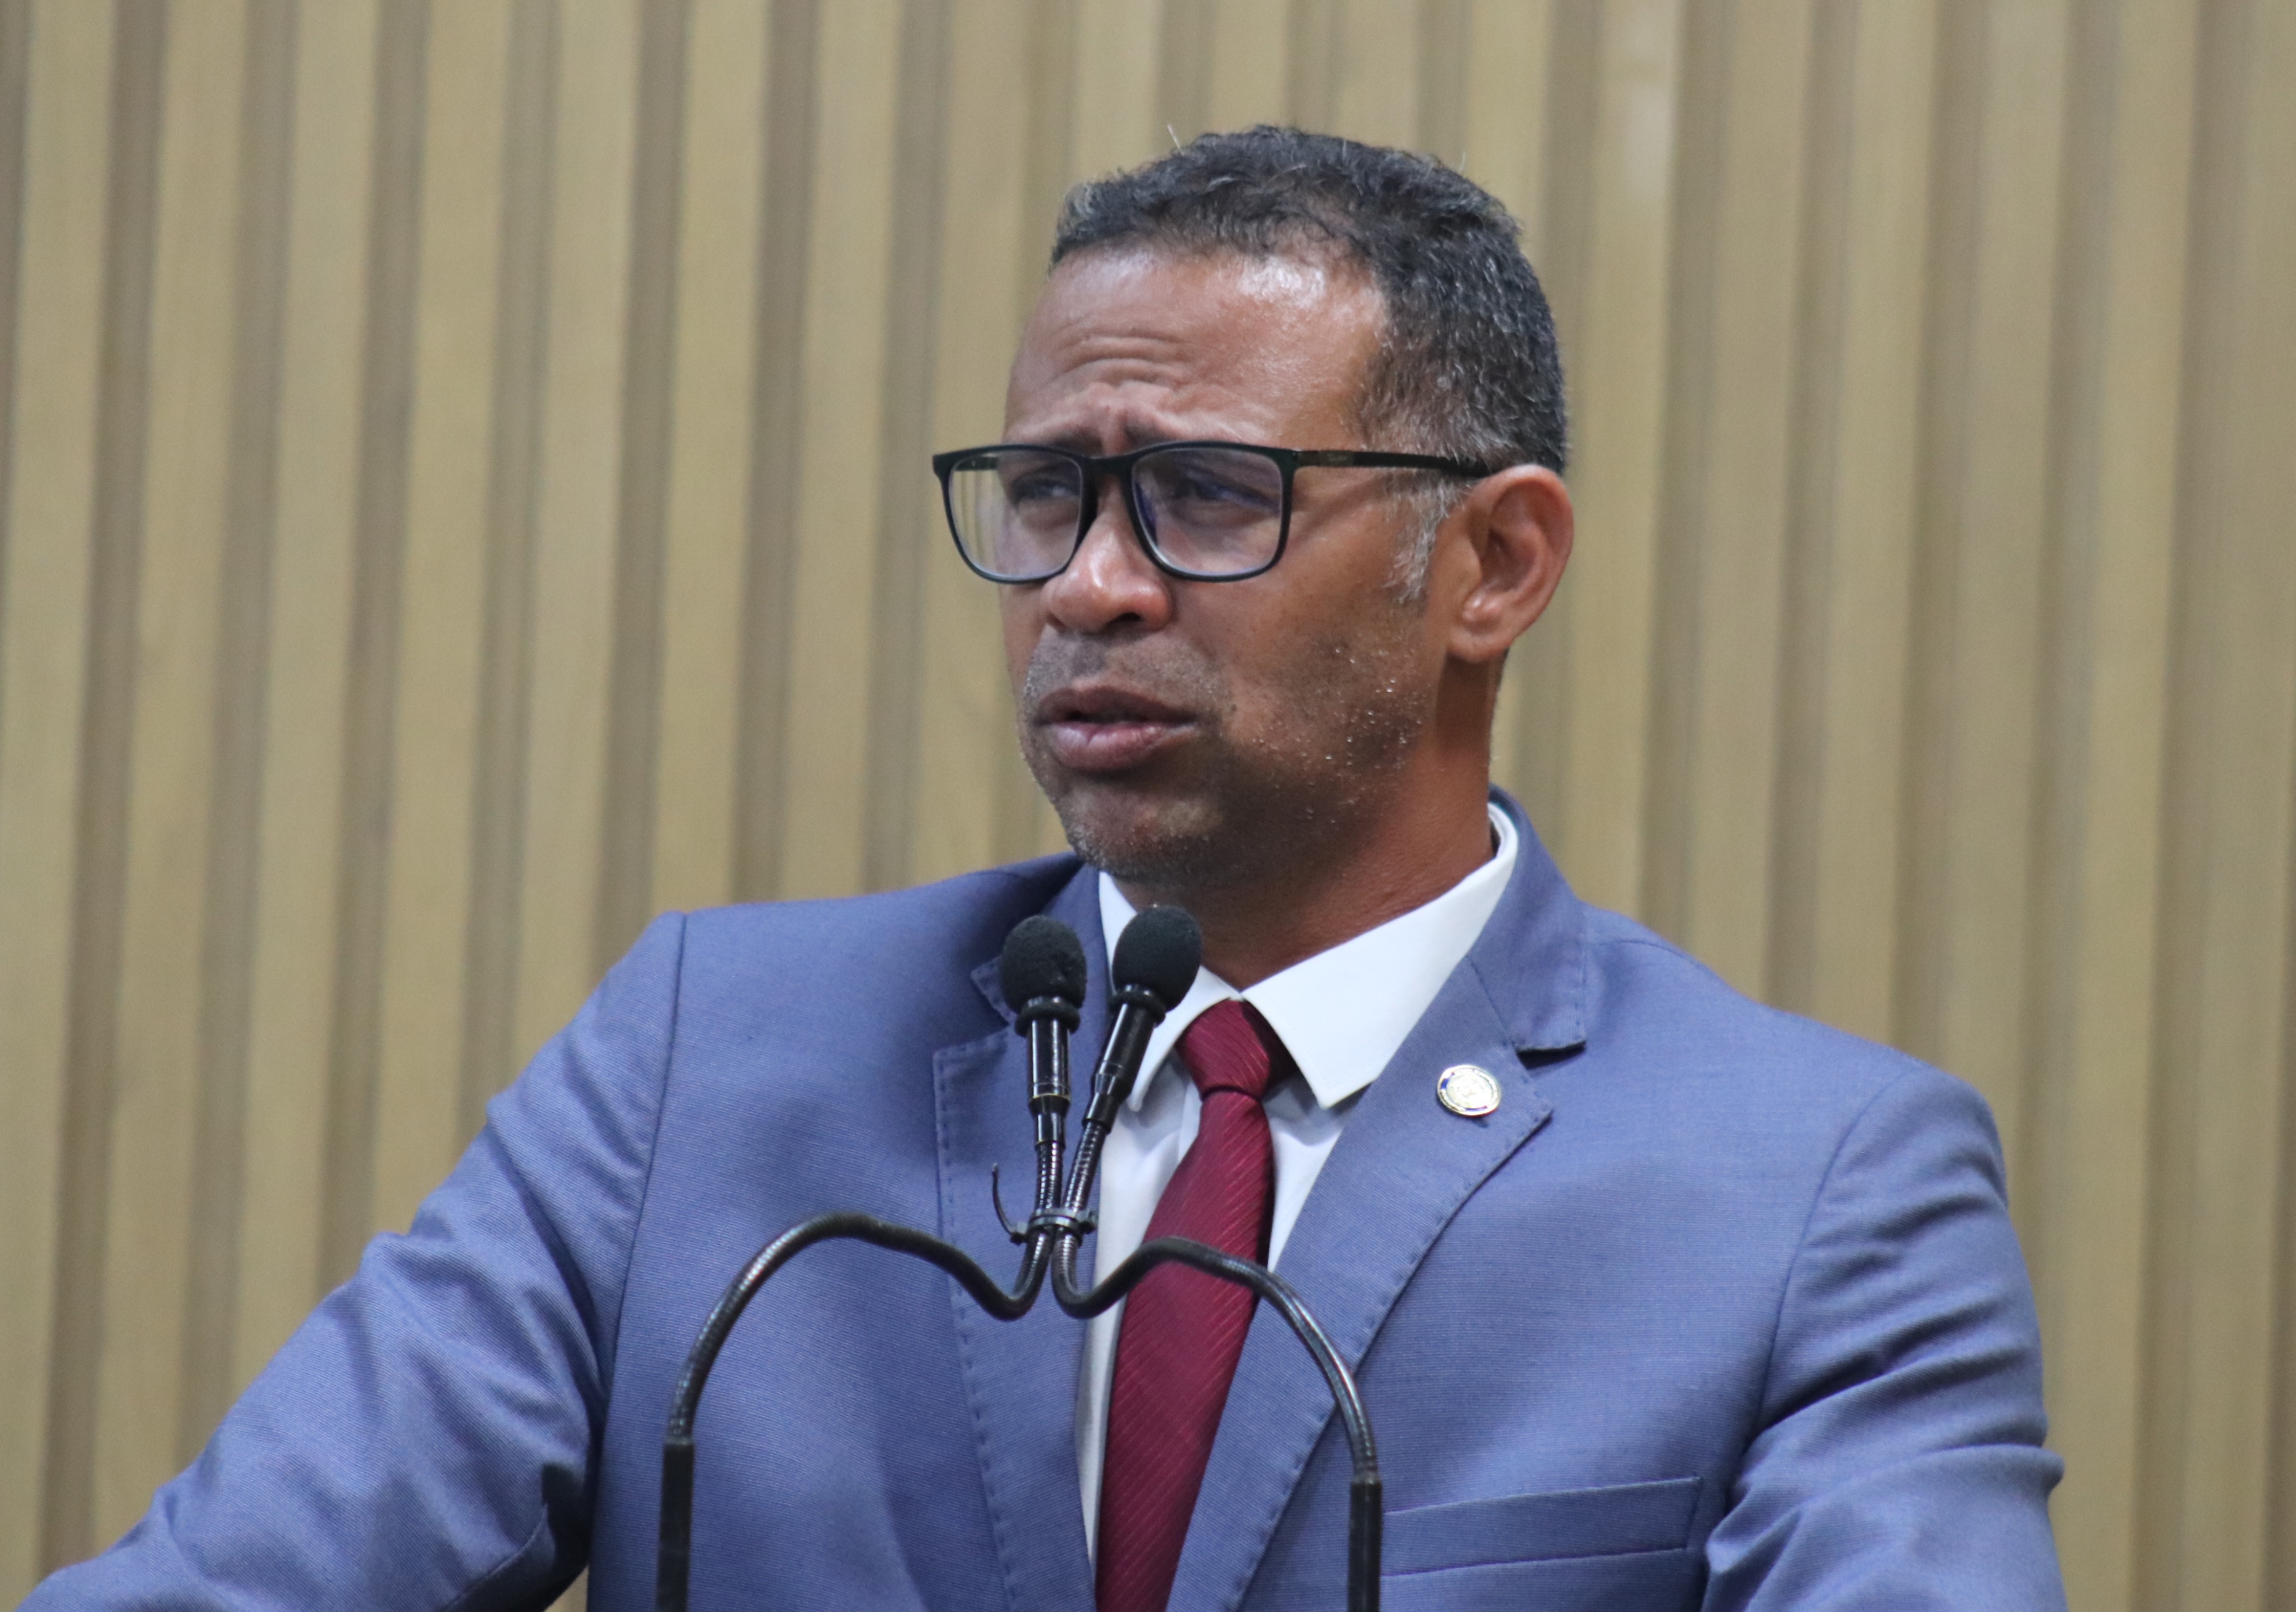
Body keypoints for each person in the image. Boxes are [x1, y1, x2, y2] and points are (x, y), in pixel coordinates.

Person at [29, 127, 2064, 1611]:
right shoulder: (705, 1064)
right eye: (1043, 495)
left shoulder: (1812, 1190)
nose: (1088, 585)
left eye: (1204, 495)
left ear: (1495, 565)